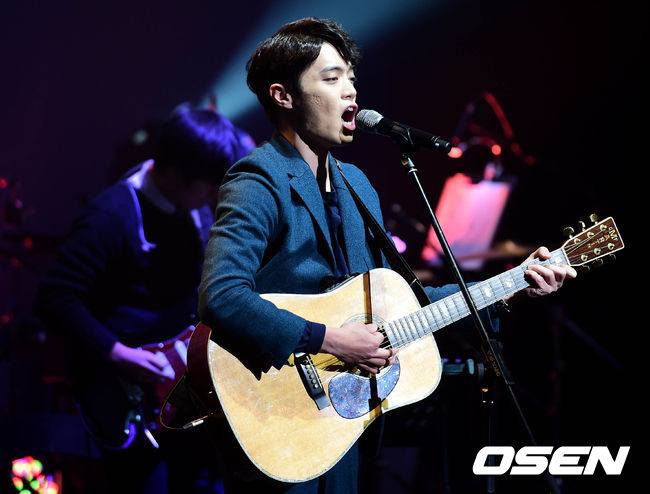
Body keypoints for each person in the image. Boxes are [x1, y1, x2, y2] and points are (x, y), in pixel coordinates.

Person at [197, 17, 577, 493]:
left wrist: (510, 285)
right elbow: (222, 297)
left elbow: (403, 302)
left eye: (351, 78)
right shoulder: (258, 179)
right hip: (277, 412)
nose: (351, 92)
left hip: (341, 421)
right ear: (283, 95)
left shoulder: (357, 186)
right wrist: (330, 339)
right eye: (332, 78)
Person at [34, 107, 253, 493]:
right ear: (176, 174)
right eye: (208, 186)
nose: (212, 196)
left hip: (183, 392)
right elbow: (54, 298)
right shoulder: (110, 215)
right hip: (127, 396)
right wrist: (120, 354)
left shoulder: (193, 212)